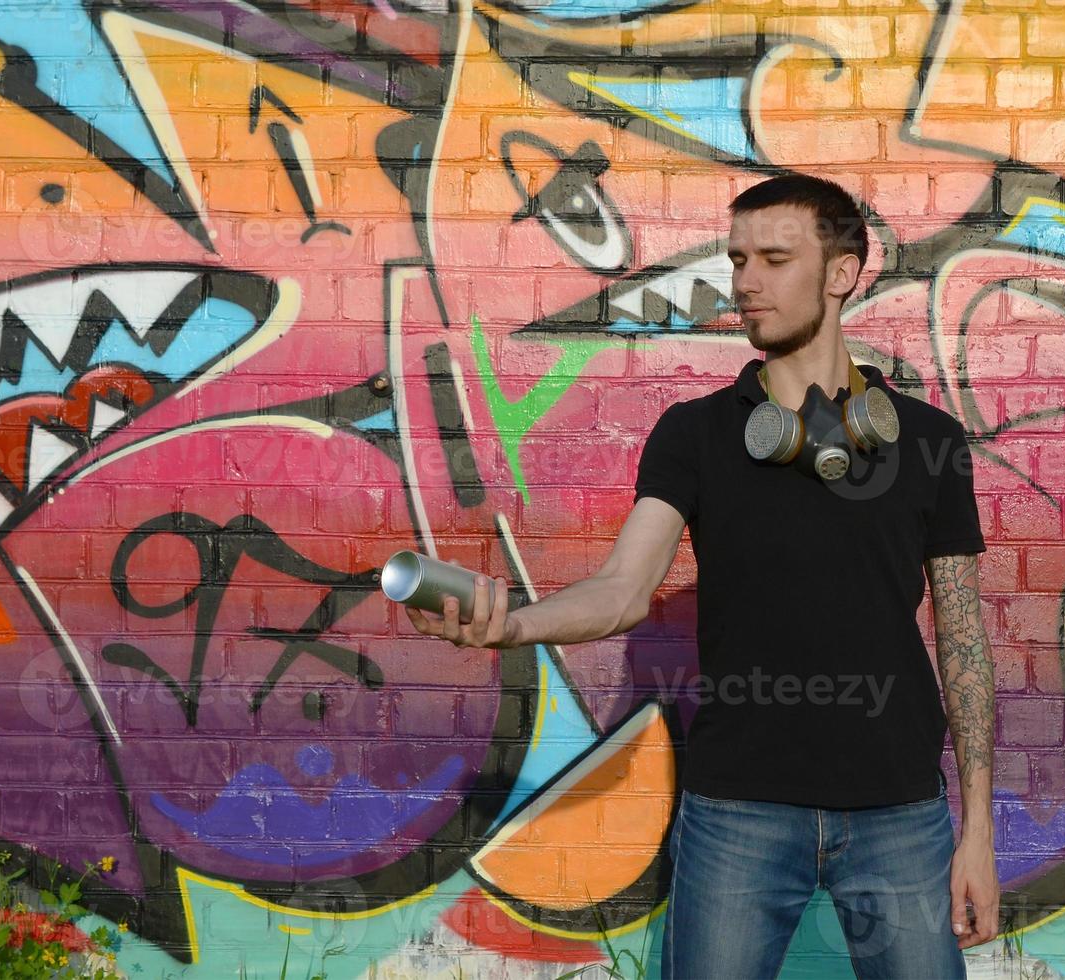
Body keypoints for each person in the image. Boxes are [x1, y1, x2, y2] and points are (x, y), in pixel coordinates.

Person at [405, 173, 998, 978]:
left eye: (775, 259)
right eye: (738, 258)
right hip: (739, 817)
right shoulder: (694, 436)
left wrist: (978, 829)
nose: (746, 282)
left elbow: (963, 638)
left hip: (901, 813)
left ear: (842, 272)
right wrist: (512, 624)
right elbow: (622, 589)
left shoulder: (929, 441)